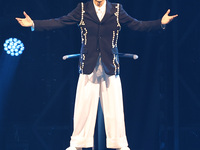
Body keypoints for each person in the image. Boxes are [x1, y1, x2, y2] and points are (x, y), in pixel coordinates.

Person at [16, 0, 178, 149]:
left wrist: (160, 23)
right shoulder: (82, 9)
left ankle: (119, 143)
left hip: (110, 64)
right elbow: (60, 21)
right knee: (83, 105)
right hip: (88, 64)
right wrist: (34, 24)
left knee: (114, 106)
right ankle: (77, 143)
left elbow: (136, 25)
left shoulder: (116, 9)